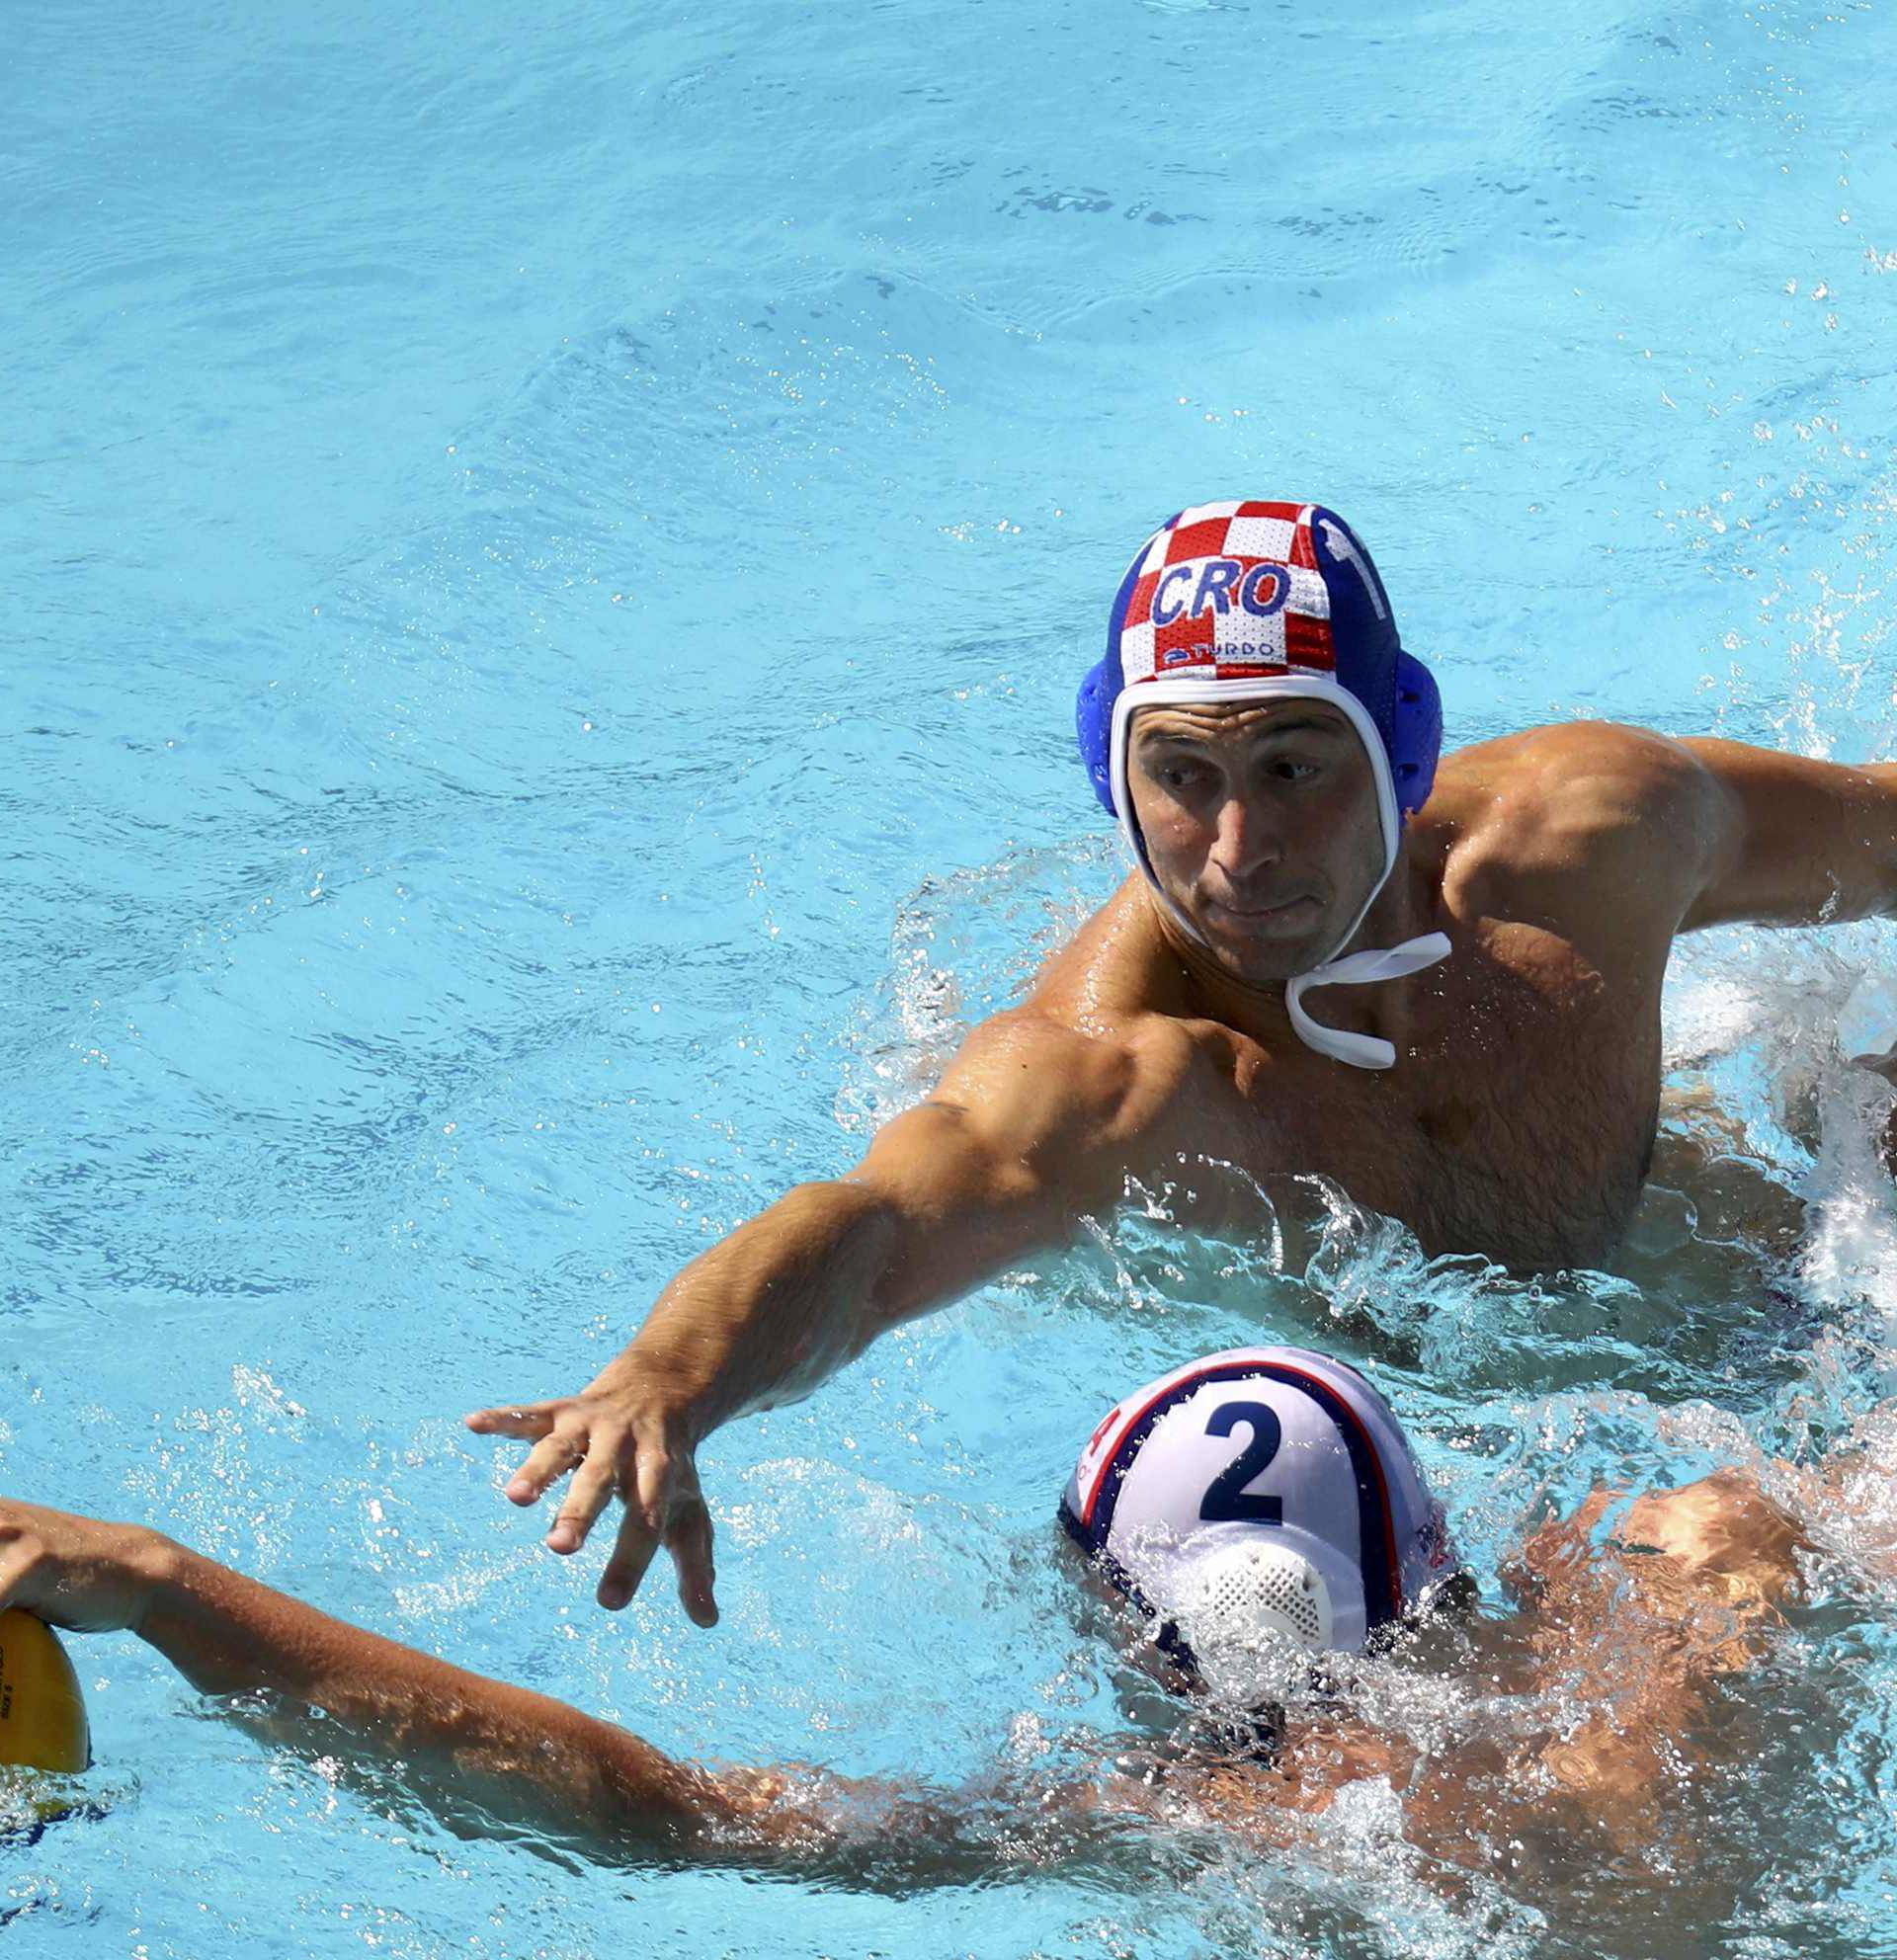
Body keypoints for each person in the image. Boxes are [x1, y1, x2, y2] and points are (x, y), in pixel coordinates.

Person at [466, 500, 1897, 1628]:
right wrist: (671, 1376)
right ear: (1115, 771)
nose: (1237, 850)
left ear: (1398, 749)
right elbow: (881, 1224)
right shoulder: (1125, 1075)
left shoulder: (1595, 842)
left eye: (1291, 765)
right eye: (1183, 774)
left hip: (1773, 1284)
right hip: (1487, 1482)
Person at [0, 1348, 1861, 1877]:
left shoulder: (1225, 1819)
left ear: (1139, 1639)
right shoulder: (1674, 1634)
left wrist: (167, 1588)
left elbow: (659, 1810)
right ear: (1427, 1571)